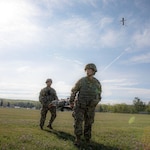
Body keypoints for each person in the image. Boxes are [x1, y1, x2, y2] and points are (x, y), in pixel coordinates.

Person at [69, 63, 102, 146]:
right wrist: (71, 101)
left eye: (90, 69)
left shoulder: (97, 83)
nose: (88, 71)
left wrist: (95, 102)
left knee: (89, 123)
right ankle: (78, 139)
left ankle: (87, 139)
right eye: (87, 69)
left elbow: (99, 95)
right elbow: (74, 91)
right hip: (80, 106)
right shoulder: (82, 80)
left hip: (90, 107)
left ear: (94, 71)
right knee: (78, 122)